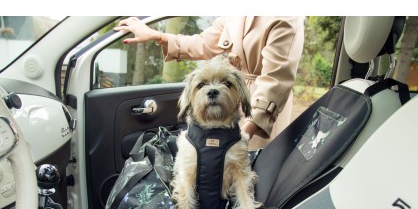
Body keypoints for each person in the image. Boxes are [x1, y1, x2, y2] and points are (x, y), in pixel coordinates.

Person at [115, 16, 304, 149]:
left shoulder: (285, 16)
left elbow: (275, 80)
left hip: (261, 110)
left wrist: (247, 131)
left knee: (251, 173)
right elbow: (202, 43)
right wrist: (158, 36)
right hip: (231, 97)